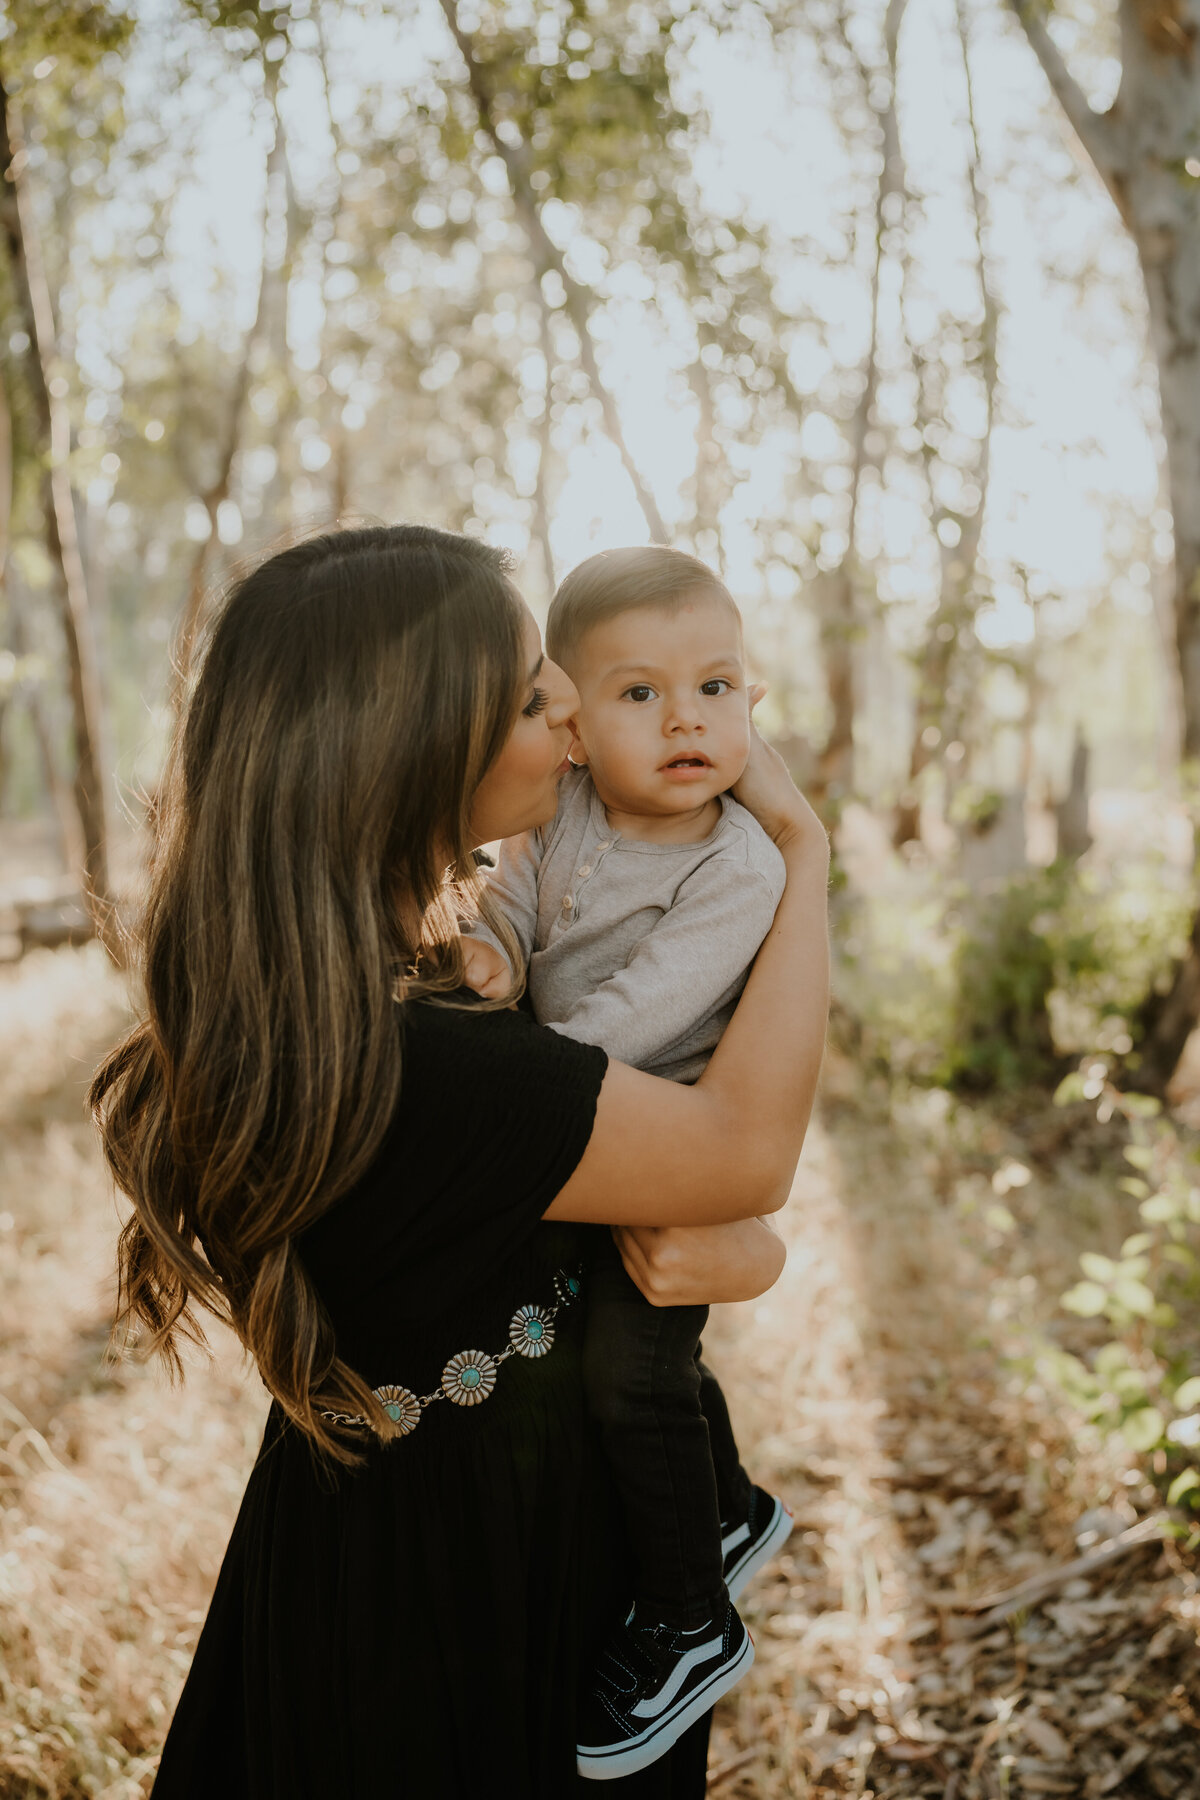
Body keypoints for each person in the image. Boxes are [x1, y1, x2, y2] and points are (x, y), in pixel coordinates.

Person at [89, 524, 830, 1798]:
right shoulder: (433, 1062)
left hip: (399, 1528)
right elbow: (741, 1156)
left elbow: (651, 1210)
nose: (566, 707)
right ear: (421, 744)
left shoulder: (341, 998)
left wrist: (733, 1245)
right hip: (474, 1579)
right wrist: (807, 856)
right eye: (533, 685)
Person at [462, 546, 799, 1779]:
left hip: (663, 1151)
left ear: (752, 703)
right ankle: (727, 1507)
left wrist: (521, 1076)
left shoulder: (737, 865)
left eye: (716, 686)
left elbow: (650, 1012)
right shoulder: (562, 815)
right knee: (619, 1347)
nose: (687, 720)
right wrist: (493, 953)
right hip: (581, 1137)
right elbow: (507, 899)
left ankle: (689, 1621)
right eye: (640, 694)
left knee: (631, 1367)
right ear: (572, 722)